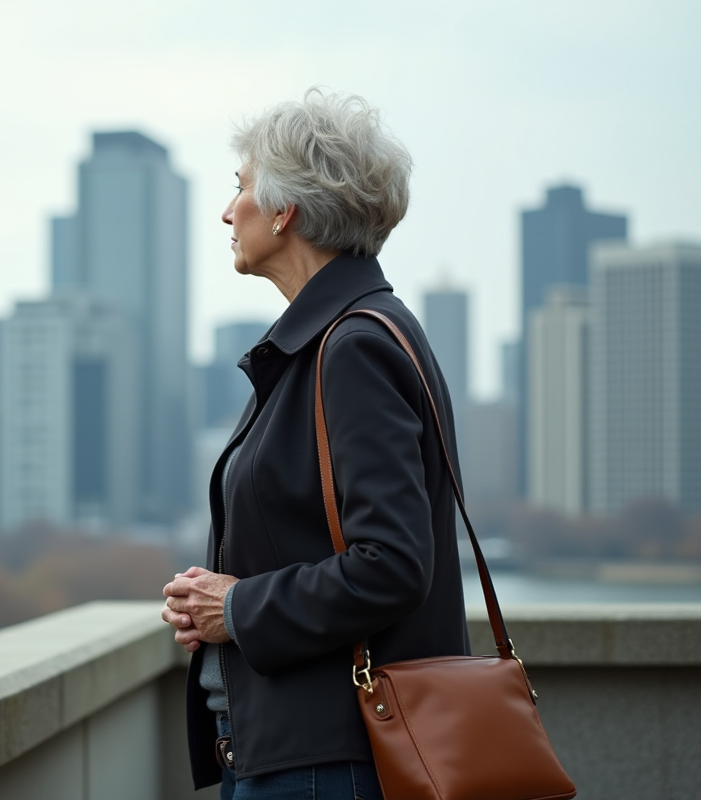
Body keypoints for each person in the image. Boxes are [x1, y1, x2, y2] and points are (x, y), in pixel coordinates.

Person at [161, 88, 471, 800]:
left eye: (240, 186)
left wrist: (235, 607)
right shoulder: (335, 339)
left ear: (285, 211)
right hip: (295, 754)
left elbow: (392, 564)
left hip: (327, 765)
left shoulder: (352, 346)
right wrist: (214, 603)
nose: (227, 211)